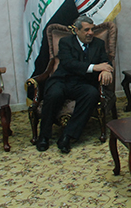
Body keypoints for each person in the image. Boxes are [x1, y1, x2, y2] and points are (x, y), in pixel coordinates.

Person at [36, 15, 113, 154]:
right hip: (62, 80)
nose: (90, 33)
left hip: (82, 83)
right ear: (77, 31)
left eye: (92, 29)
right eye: (86, 30)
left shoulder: (98, 44)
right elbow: (69, 64)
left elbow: (106, 62)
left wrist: (106, 71)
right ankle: (44, 136)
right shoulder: (65, 42)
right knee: (54, 94)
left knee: (91, 94)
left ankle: (68, 136)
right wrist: (95, 67)